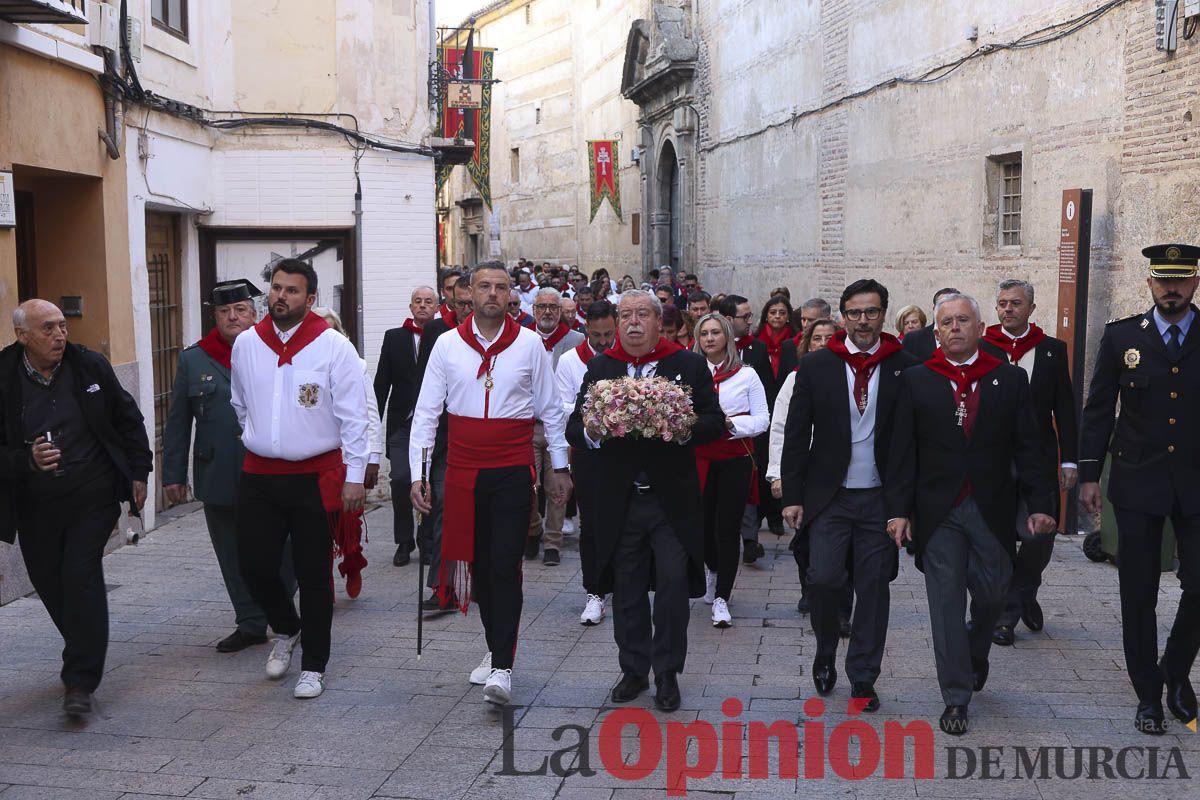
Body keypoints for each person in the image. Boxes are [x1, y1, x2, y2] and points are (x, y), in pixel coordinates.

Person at [886, 293, 1056, 735]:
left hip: (991, 507)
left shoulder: (1010, 379)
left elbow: (1031, 448)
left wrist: (1041, 504)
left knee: (994, 595)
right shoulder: (917, 380)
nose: (955, 328)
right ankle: (956, 697)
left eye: (964, 320)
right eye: (946, 322)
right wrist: (898, 511)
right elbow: (902, 451)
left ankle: (975, 650)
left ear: (981, 328)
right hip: (938, 510)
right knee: (945, 604)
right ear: (936, 332)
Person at [410, 262, 571, 706]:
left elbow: (551, 410)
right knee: (478, 567)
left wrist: (559, 465)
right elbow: (426, 414)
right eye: (485, 286)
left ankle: (503, 664)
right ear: (469, 293)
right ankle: (495, 644)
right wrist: (419, 475)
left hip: (511, 470)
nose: (493, 294)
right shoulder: (445, 345)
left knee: (504, 565)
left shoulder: (530, 346)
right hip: (461, 471)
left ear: (510, 296)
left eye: (501, 287)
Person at [567, 290, 724, 712]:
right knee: (627, 587)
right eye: (626, 315)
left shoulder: (687, 364)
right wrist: (596, 430)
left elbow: (713, 420)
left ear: (659, 321)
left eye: (642, 315)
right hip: (620, 499)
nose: (633, 322)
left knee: (673, 584)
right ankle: (634, 670)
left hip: (670, 500)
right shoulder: (601, 367)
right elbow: (573, 426)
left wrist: (681, 424)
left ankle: (667, 672)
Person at [1, 299, 152, 715]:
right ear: (22, 336)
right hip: (34, 502)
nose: (59, 335)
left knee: (80, 574)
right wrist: (26, 460)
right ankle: (87, 642)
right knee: (49, 581)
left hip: (93, 493)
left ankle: (80, 681)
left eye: (62, 326)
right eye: (47, 329)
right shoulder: (4, 376)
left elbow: (128, 418)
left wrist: (140, 471)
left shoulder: (89, 366)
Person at [231, 259, 370, 700]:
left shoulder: (333, 347)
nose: (281, 297)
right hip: (259, 474)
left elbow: (355, 417)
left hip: (314, 475)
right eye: (275, 288)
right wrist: (265, 437)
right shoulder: (248, 344)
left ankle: (315, 665)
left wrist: (355, 476)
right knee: (252, 565)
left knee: (314, 574)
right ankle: (288, 628)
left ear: (310, 299)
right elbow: (240, 404)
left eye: (292, 290)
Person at [780, 280, 918, 713]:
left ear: (883, 314)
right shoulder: (818, 366)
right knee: (822, 578)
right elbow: (797, 433)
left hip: (879, 498)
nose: (863, 321)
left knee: (874, 588)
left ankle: (863, 677)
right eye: (855, 313)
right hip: (830, 497)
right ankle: (825, 649)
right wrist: (792, 495)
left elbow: (913, 444)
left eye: (872, 312)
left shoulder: (905, 366)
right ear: (842, 316)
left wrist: (904, 508)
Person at [1079, 243, 1200, 735]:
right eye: (1163, 279)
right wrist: (1089, 473)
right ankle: (1148, 695)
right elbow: (1097, 408)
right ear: (1149, 282)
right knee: (1138, 592)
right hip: (1135, 481)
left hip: (1196, 483)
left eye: (1181, 279)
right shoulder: (1121, 337)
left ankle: (1174, 666)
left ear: (1194, 282)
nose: (1172, 287)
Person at [164, 279, 296, 653]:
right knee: (231, 551)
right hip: (220, 471)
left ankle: (280, 608)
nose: (232, 317)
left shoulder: (275, 351)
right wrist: (172, 475)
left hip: (274, 469)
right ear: (215, 316)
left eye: (240, 310)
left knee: (286, 547)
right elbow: (178, 421)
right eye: (224, 312)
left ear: (254, 314)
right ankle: (250, 622)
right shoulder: (194, 359)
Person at [980, 279, 1078, 646]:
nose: (1008, 309)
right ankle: (1006, 615)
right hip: (994, 463)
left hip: (1037, 460)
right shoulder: (983, 347)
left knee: (1040, 537)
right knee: (1001, 537)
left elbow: (1065, 410)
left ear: (1031, 309)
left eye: (1016, 303)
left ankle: (1025, 590)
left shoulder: (1052, 350)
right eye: (1002, 303)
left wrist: (1069, 460)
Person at [693, 313, 769, 627]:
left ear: (727, 336)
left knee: (727, 528)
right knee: (703, 526)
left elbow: (762, 419)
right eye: (704, 333)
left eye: (715, 333)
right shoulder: (691, 374)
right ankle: (712, 570)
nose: (710, 338)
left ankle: (723, 596)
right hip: (699, 460)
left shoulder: (746, 375)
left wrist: (730, 424)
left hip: (735, 459)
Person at [556, 300, 619, 625]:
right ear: (586, 331)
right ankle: (594, 591)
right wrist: (596, 414)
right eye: (597, 336)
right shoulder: (570, 361)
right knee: (591, 524)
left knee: (623, 521)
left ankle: (620, 583)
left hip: (622, 452)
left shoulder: (626, 355)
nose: (604, 342)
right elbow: (563, 402)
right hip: (588, 451)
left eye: (609, 334)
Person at [314, 307, 383, 598]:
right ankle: (321, 579)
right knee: (319, 524)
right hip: (319, 458)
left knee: (347, 523)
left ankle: (352, 564)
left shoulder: (355, 364)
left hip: (348, 456)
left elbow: (369, 411)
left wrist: (373, 457)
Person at [375, 286, 438, 568]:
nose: (422, 306)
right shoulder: (394, 338)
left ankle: (427, 540)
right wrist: (372, 429)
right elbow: (381, 383)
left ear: (437, 307)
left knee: (429, 481)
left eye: (428, 302)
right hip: (401, 423)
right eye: (418, 301)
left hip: (433, 425)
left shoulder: (445, 337)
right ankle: (403, 540)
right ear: (411, 307)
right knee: (400, 478)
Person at [527, 288, 585, 565]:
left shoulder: (576, 340)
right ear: (533, 310)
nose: (547, 311)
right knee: (526, 484)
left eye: (553, 307)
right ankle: (532, 528)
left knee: (557, 486)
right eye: (542, 307)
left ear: (561, 312)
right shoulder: (522, 339)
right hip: (529, 425)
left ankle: (552, 542)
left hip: (560, 427)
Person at [719, 295, 776, 559]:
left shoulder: (757, 349)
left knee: (748, 485)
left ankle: (750, 539)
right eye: (745, 317)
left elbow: (766, 390)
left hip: (747, 433)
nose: (750, 321)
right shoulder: (707, 352)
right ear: (729, 320)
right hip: (714, 437)